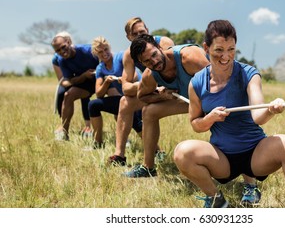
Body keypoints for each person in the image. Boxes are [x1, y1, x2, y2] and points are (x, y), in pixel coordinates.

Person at [173, 20, 285, 208]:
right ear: (206, 48)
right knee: (182, 152)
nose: (226, 56)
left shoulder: (249, 74)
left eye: (231, 49)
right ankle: (218, 202)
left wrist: (270, 110)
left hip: (255, 154)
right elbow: (196, 124)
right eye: (219, 50)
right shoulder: (197, 83)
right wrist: (210, 118)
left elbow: (257, 116)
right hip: (222, 158)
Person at [124, 33, 210, 178]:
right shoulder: (150, 75)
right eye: (147, 61)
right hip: (188, 102)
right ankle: (148, 167)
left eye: (154, 54)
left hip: (214, 99)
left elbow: (219, 83)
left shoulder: (189, 57)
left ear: (159, 47)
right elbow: (142, 96)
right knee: (149, 111)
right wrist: (162, 95)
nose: (154, 62)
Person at [107, 17, 175, 165]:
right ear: (129, 37)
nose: (139, 36)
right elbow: (126, 88)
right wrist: (147, 86)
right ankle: (119, 155)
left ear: (148, 31)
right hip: (155, 90)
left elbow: (172, 71)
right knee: (125, 102)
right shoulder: (129, 55)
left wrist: (146, 86)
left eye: (142, 32)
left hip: (175, 89)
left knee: (146, 108)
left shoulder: (164, 43)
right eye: (135, 34)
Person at [88, 36, 142, 149]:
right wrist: (107, 82)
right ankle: (97, 143)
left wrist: (122, 79)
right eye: (100, 52)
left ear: (109, 47)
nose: (104, 53)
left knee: (135, 120)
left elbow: (135, 76)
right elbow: (99, 93)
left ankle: (156, 150)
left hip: (140, 95)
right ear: (96, 54)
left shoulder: (121, 56)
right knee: (93, 105)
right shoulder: (100, 68)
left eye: (106, 49)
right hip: (125, 98)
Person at [51, 32, 99, 140]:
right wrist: (84, 75)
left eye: (63, 47)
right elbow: (69, 80)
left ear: (69, 42)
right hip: (85, 83)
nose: (62, 52)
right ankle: (64, 132)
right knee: (67, 95)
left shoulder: (88, 50)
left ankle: (125, 137)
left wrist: (98, 72)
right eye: (58, 50)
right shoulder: (61, 60)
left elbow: (106, 62)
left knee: (117, 97)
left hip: (102, 80)